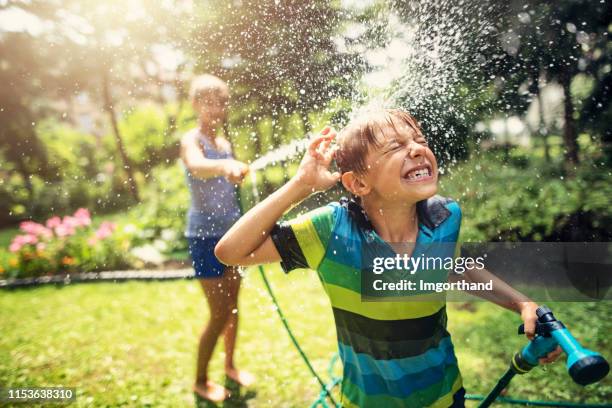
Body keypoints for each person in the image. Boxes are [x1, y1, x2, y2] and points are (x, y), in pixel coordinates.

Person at [214, 109, 560, 407]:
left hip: (443, 395)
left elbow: (455, 268)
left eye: (419, 140)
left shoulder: (445, 217)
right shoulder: (331, 230)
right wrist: (301, 185)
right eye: (396, 146)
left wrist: (522, 304)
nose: (416, 149)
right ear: (359, 183)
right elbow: (230, 252)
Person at [180, 74, 254, 402]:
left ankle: (230, 365)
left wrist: (236, 173)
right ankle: (199, 380)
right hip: (204, 238)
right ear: (195, 104)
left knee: (233, 308)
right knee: (219, 312)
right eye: (208, 101)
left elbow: (228, 183)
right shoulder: (191, 140)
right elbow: (196, 167)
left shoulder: (225, 146)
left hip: (231, 234)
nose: (216, 108)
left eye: (221, 102)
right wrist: (225, 168)